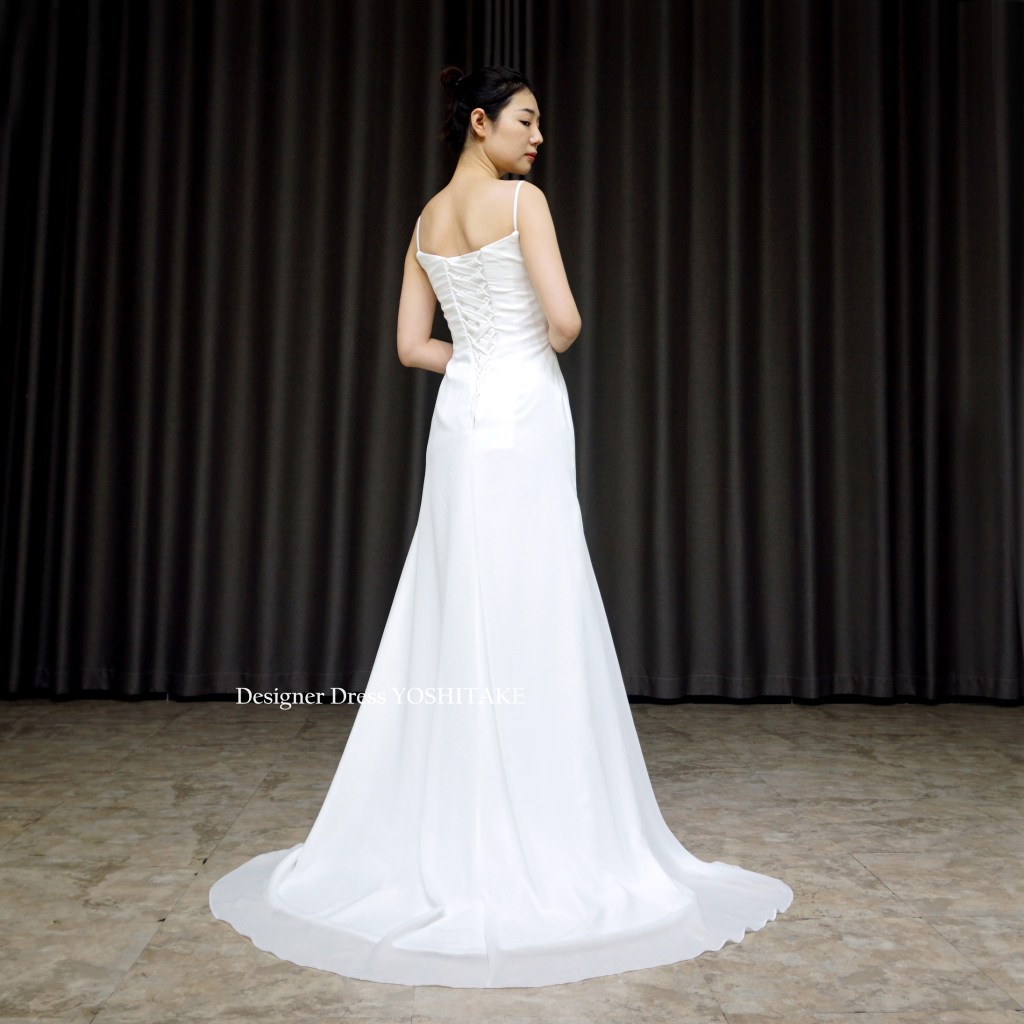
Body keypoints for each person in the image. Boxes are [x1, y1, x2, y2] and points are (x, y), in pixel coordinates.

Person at [209, 65, 793, 989]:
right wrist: (517, 354)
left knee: (455, 600)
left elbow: (411, 348)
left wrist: (476, 360)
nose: (538, 137)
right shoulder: (524, 204)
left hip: (463, 416)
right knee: (535, 596)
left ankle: (446, 823)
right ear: (479, 122)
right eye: (525, 120)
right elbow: (565, 323)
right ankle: (548, 819)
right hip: (523, 412)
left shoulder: (424, 222)